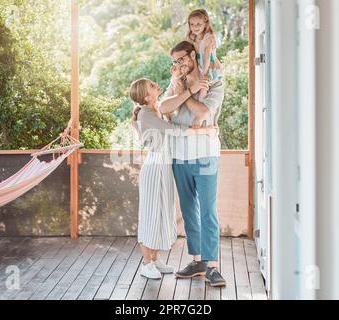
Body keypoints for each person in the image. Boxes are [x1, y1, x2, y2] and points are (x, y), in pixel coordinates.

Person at [130, 78, 218, 280]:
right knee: (150, 214)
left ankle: (155, 259)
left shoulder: (156, 109)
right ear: (146, 96)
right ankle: (146, 263)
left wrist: (175, 79)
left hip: (164, 168)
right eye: (152, 86)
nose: (155, 84)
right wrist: (205, 130)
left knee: (161, 213)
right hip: (155, 168)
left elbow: (173, 99)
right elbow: (175, 131)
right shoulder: (146, 114)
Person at [159, 40, 226, 287]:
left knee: (208, 211)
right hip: (179, 156)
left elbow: (202, 113)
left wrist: (184, 93)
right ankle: (197, 261)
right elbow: (163, 107)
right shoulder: (176, 83)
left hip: (206, 155)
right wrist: (186, 90)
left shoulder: (215, 82)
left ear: (194, 55)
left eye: (182, 59)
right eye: (175, 61)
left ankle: (212, 267)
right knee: (189, 212)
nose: (179, 65)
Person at [186, 8, 224, 128]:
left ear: (206, 23)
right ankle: (193, 110)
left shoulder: (209, 37)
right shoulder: (192, 37)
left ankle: (200, 116)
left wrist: (204, 72)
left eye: (198, 24)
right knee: (195, 86)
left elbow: (207, 58)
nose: (195, 27)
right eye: (192, 24)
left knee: (204, 88)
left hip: (210, 67)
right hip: (198, 67)